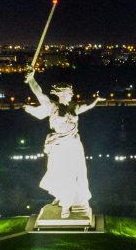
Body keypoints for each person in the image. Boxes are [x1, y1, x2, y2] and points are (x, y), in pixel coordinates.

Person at [23, 70, 103, 218]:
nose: (72, 94)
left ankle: (67, 205)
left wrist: (96, 99)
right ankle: (62, 197)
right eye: (69, 92)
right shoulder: (52, 107)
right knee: (59, 173)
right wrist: (32, 79)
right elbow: (40, 93)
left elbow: (87, 106)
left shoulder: (73, 107)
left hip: (73, 145)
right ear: (61, 93)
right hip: (59, 146)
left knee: (74, 175)